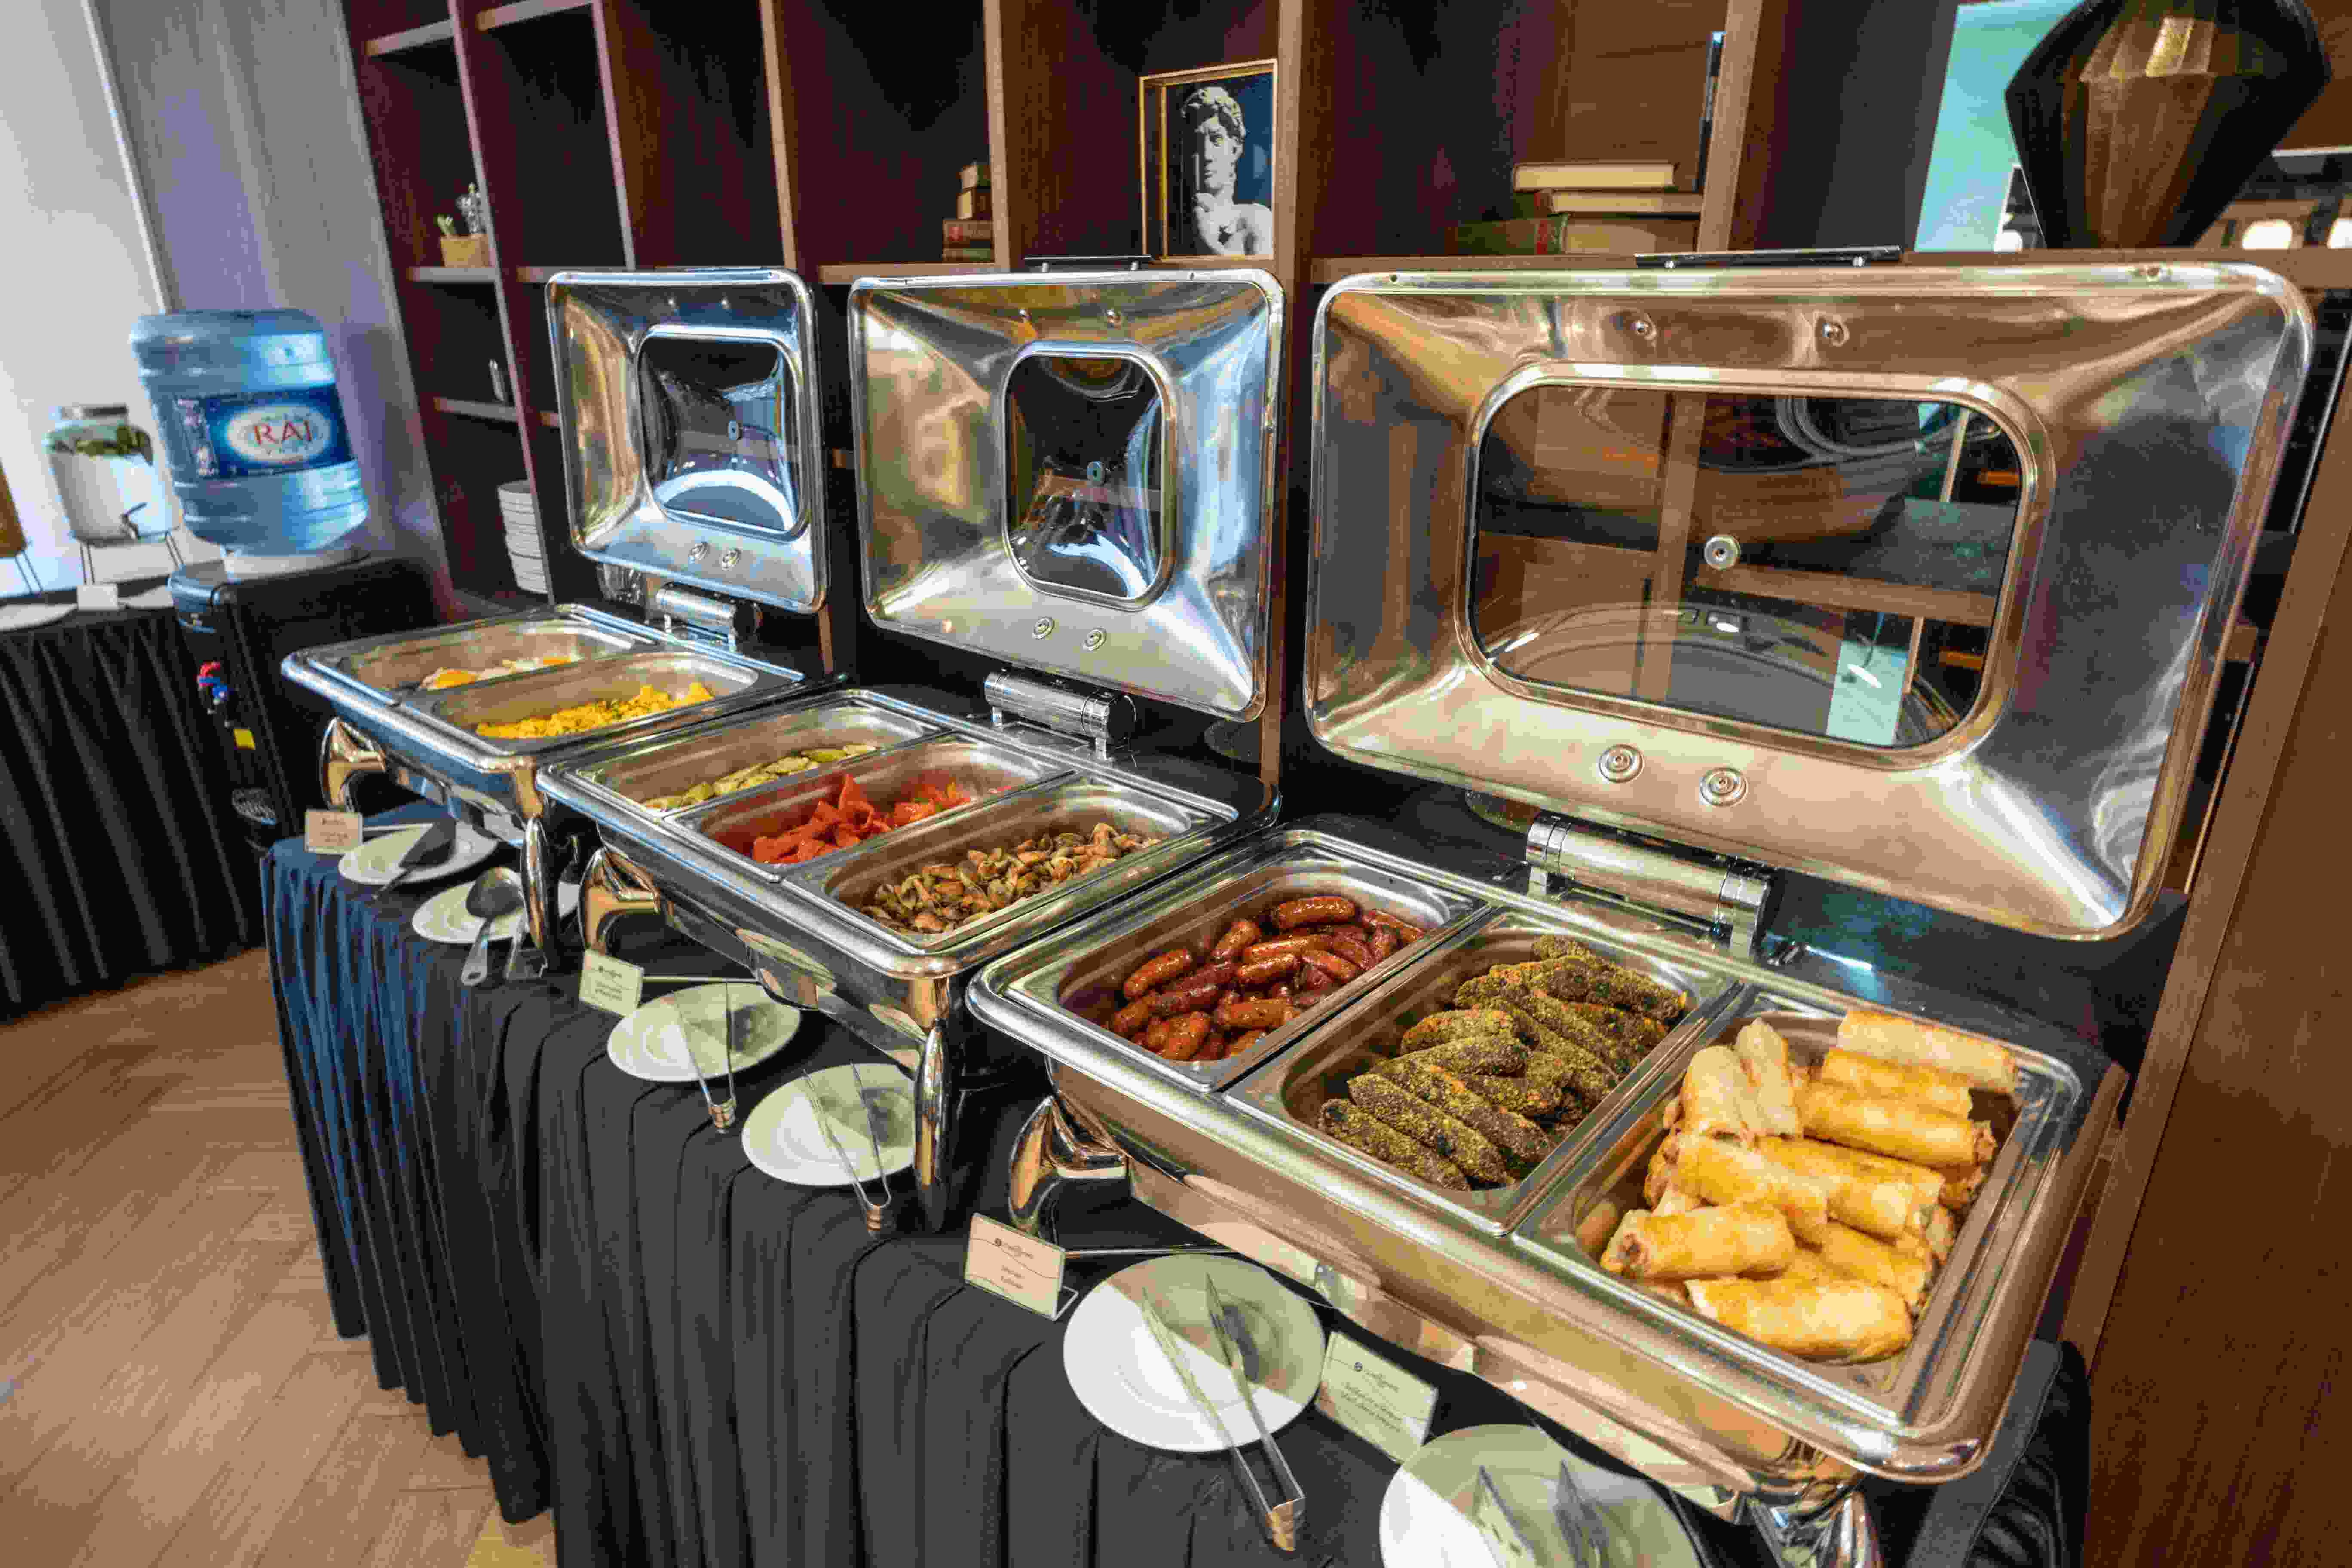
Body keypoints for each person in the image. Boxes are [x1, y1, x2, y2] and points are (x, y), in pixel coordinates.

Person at [1179, 84, 1272, 256]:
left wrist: (1209, 244)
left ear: (1235, 149)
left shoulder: (1256, 220)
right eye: (1195, 143)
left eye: (1217, 140)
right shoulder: (1175, 227)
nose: (1206, 155)